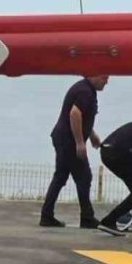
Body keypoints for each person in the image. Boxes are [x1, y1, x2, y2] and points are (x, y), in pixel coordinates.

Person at [39, 75, 109, 228]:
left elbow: (83, 117)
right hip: (68, 141)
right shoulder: (85, 91)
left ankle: (47, 215)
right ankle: (87, 217)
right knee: (84, 177)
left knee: (61, 176)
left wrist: (92, 136)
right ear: (93, 75)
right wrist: (79, 142)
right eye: (104, 77)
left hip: (63, 138)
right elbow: (75, 114)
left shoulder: (86, 89)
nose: (106, 81)